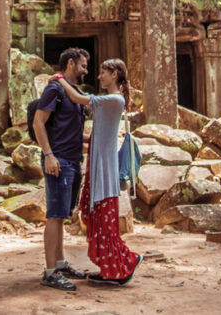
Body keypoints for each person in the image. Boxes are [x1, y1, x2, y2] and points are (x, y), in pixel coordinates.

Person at [53, 58, 143, 286]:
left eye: (103, 72)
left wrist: (60, 79)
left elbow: (78, 99)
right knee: (101, 223)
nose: (99, 76)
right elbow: (97, 136)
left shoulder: (113, 99)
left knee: (106, 226)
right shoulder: (110, 101)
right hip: (99, 169)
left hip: (104, 172)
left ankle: (127, 263)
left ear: (115, 75)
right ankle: (110, 270)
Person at [33, 47, 90, 291]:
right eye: (83, 65)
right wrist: (48, 155)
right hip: (58, 161)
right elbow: (39, 122)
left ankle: (60, 263)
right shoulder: (54, 89)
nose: (86, 70)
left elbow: (68, 127)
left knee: (62, 215)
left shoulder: (74, 92)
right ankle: (50, 272)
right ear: (70, 64)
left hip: (72, 160)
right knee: (55, 216)